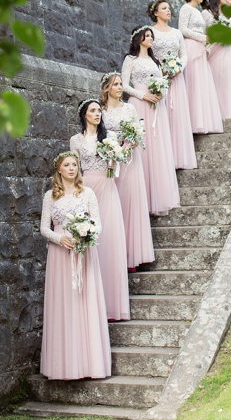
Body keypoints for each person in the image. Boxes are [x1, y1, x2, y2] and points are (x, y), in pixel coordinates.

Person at [40, 151, 111, 380]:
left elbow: (98, 224)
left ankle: (90, 364)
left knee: (85, 302)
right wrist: (59, 239)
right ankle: (63, 366)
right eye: (67, 165)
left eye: (74, 165)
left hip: (84, 253)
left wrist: (86, 235)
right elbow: (44, 228)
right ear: (59, 169)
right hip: (60, 255)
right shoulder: (50, 196)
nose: (71, 168)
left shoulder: (87, 193)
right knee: (64, 304)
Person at [70, 99, 130, 322]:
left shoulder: (110, 138)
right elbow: (73, 170)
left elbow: (118, 163)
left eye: (99, 111)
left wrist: (115, 163)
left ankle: (112, 306)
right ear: (84, 114)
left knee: (109, 240)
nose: (97, 114)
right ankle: (91, 305)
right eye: (93, 111)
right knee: (91, 241)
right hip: (86, 189)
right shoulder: (75, 140)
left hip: (107, 188)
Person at [121, 27, 180, 216]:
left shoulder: (155, 61)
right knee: (142, 146)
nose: (151, 39)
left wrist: (161, 92)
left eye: (152, 36)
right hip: (139, 104)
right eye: (147, 36)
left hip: (156, 107)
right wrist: (143, 96)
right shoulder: (130, 60)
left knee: (158, 148)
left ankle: (159, 197)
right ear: (138, 39)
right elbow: (124, 85)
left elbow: (161, 81)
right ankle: (141, 198)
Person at [100, 72, 155, 271]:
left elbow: (138, 133)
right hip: (112, 163)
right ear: (107, 88)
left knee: (131, 203)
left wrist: (126, 146)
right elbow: (100, 138)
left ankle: (134, 256)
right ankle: (117, 256)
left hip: (130, 161)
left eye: (121, 84)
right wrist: (112, 152)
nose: (120, 87)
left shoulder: (130, 108)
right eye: (116, 84)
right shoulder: (102, 112)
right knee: (116, 207)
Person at [148, 0, 197, 169]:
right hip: (159, 79)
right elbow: (147, 54)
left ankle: (179, 159)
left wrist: (178, 68)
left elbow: (184, 55)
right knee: (162, 116)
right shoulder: (150, 32)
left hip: (176, 79)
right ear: (155, 13)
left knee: (177, 117)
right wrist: (159, 70)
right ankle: (163, 160)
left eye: (169, 8)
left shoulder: (177, 33)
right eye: (164, 8)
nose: (168, 11)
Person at [179, 0, 225, 133]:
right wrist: (202, 38)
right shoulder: (185, 9)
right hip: (191, 47)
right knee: (193, 82)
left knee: (202, 84)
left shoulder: (198, 11)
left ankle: (204, 122)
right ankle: (193, 122)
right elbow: (183, 30)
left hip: (201, 48)